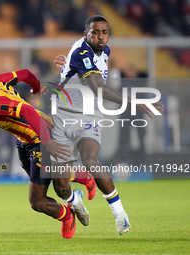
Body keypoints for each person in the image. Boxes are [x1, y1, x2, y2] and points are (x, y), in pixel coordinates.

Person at [0, 69, 94, 239]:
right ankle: (69, 208)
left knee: (39, 201)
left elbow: (27, 111)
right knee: (41, 193)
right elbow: (24, 74)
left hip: (40, 137)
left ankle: (73, 199)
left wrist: (47, 142)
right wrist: (36, 86)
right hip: (24, 140)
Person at [52, 15, 164, 235]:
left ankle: (120, 213)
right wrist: (135, 102)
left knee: (90, 159)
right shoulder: (81, 52)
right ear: (86, 34)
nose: (100, 36)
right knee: (60, 183)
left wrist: (67, 69)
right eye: (95, 32)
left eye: (104, 32)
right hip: (64, 116)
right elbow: (100, 88)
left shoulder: (105, 51)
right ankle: (75, 200)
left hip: (90, 114)